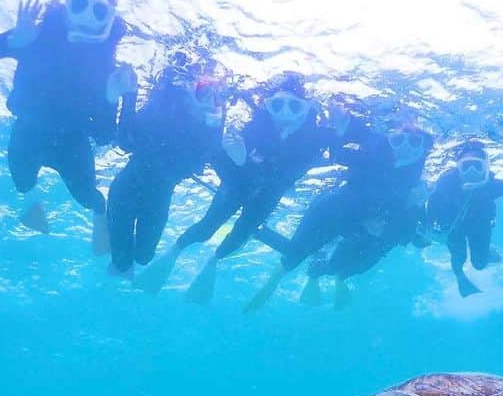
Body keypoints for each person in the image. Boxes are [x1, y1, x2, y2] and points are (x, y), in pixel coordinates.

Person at [0, 0, 134, 254]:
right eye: (79, 5)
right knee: (23, 184)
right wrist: (10, 42)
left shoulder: (106, 68)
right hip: (27, 135)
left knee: (88, 198)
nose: (87, 17)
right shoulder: (34, 38)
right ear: (65, 7)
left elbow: (102, 136)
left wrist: (112, 97)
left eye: (99, 12)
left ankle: (100, 216)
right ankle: (34, 211)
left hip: (72, 147)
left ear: (110, 20)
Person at [135, 72, 349, 303]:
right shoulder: (254, 130)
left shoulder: (316, 138)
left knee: (240, 236)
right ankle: (174, 251)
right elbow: (216, 158)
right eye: (277, 105)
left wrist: (339, 131)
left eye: (294, 107)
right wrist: (238, 159)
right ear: (267, 108)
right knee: (207, 228)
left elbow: (336, 155)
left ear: (307, 110)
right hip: (237, 186)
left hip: (268, 195)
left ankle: (213, 261)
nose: (285, 114)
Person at [246, 116, 432, 311]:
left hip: (358, 225)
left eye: (414, 142)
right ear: (389, 142)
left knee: (360, 261)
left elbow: (408, 225)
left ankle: (324, 271)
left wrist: (412, 217)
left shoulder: (417, 185)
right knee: (295, 253)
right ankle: (257, 234)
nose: (404, 148)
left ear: (423, 149)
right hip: (329, 211)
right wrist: (340, 134)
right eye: (397, 140)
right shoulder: (372, 158)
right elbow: (338, 154)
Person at [106, 54, 242, 278]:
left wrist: (214, 128)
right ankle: (108, 234)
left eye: (216, 98)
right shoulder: (162, 112)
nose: (209, 102)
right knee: (121, 264)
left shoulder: (209, 131)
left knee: (143, 257)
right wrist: (130, 95)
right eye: (203, 93)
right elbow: (126, 141)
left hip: (158, 198)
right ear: (189, 92)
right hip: (125, 191)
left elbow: (201, 165)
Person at [424, 139, 503, 297]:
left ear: (485, 168)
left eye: (477, 166)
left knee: (479, 264)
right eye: (466, 166)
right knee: (458, 256)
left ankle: (485, 251)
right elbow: (432, 204)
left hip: (480, 226)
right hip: (452, 228)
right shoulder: (445, 183)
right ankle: (460, 278)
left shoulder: (490, 185)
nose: (471, 171)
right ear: (458, 168)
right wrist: (430, 227)